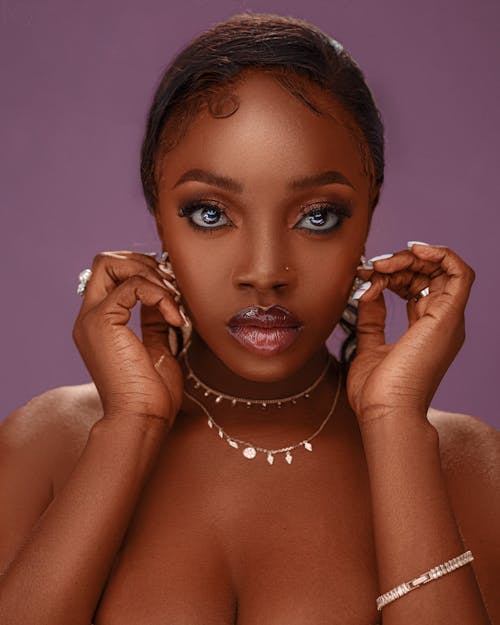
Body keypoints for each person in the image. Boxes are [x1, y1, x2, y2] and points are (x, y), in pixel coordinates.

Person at [0, 12, 498, 625]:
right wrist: (130, 425)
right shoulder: (47, 442)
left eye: (318, 215)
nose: (265, 271)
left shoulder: (465, 463)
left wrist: (395, 425)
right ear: (158, 217)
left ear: (369, 214)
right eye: (210, 213)